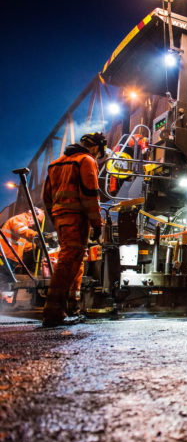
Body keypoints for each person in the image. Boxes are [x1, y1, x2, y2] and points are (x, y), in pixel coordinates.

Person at [42, 132, 106, 327]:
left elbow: (47, 198)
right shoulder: (86, 161)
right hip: (77, 218)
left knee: (76, 260)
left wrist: (56, 218)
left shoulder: (55, 164)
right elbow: (90, 195)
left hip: (61, 218)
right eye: (99, 152)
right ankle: (53, 311)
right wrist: (97, 224)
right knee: (68, 260)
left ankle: (71, 307)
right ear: (95, 148)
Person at [0, 207, 45, 271]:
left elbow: (22, 245)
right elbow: (21, 230)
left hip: (10, 258)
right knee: (5, 279)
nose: (35, 224)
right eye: (36, 220)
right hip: (5, 256)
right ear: (31, 213)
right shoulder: (20, 218)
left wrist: (35, 246)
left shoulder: (24, 224)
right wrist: (37, 235)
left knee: (7, 279)